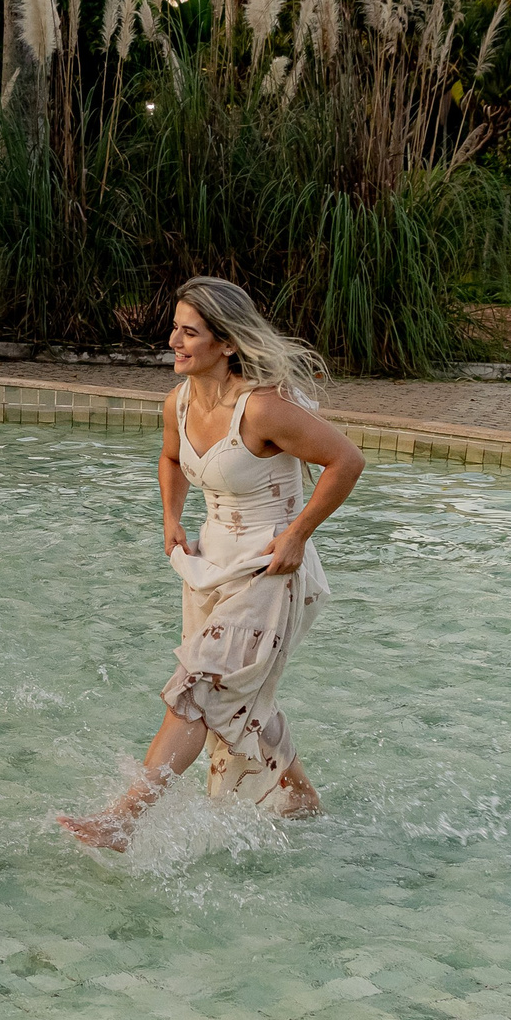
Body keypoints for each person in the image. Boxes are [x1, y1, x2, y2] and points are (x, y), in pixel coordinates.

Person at [59, 275, 363, 850]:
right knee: (233, 698)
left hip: (270, 573)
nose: (174, 340)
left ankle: (122, 822)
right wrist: (171, 519)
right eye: (174, 328)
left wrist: (298, 535)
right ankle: (301, 801)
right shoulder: (178, 402)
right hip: (209, 569)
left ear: (225, 343)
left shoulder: (262, 410)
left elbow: (346, 461)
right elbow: (171, 459)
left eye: (189, 332)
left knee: (200, 688)